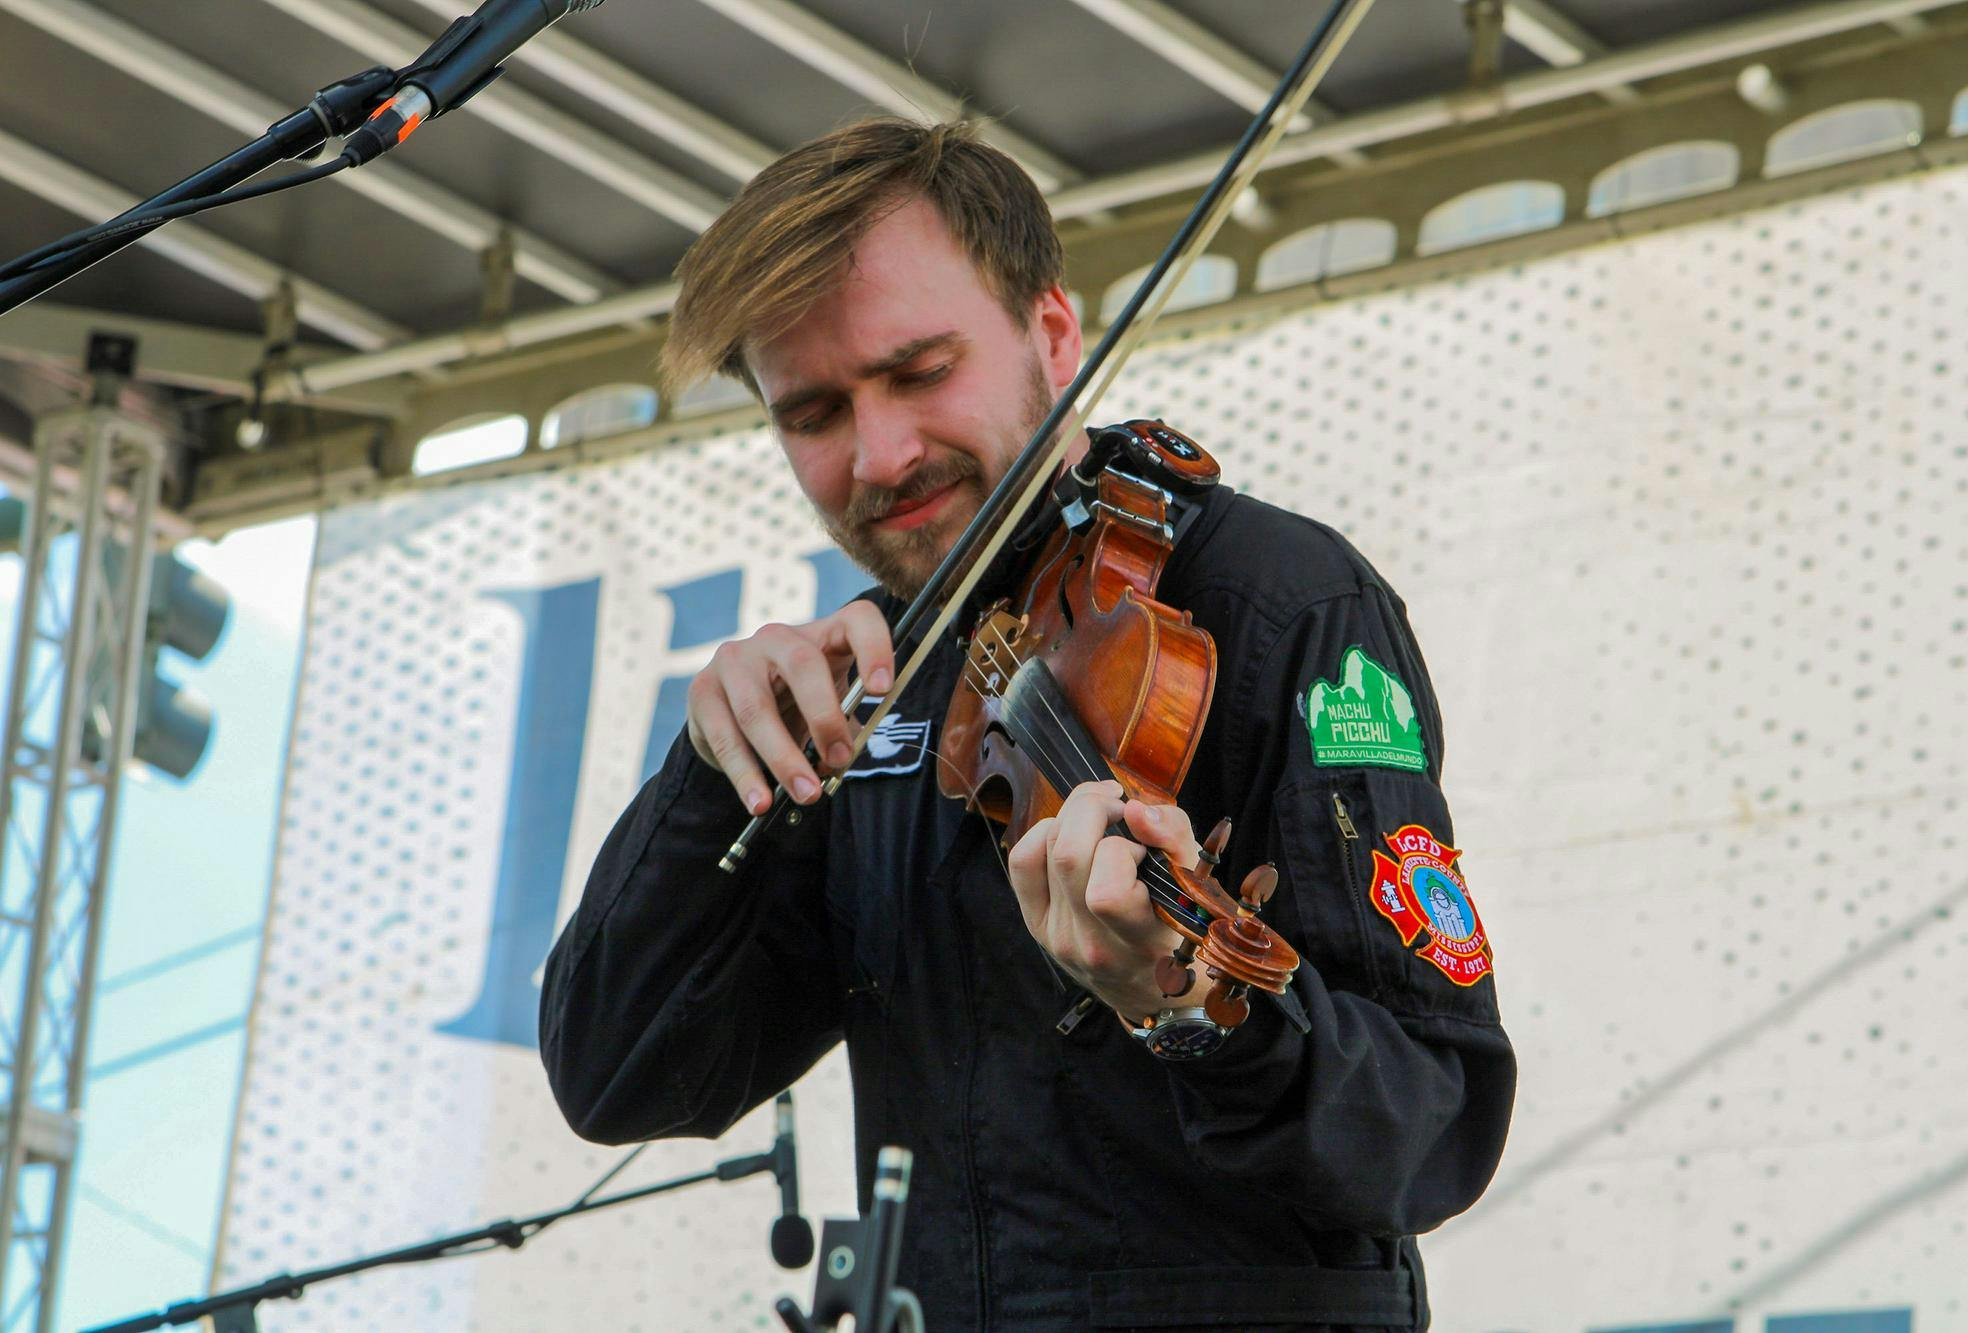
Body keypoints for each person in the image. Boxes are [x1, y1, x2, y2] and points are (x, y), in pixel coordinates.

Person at [539, 117, 1515, 1332]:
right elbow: (619, 1073)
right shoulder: (867, 686)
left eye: (917, 370)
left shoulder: (1277, 599)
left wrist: (1195, 1005)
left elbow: (1432, 1124)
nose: (879, 454)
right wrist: (703, 779)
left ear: (1051, 334)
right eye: (814, 413)